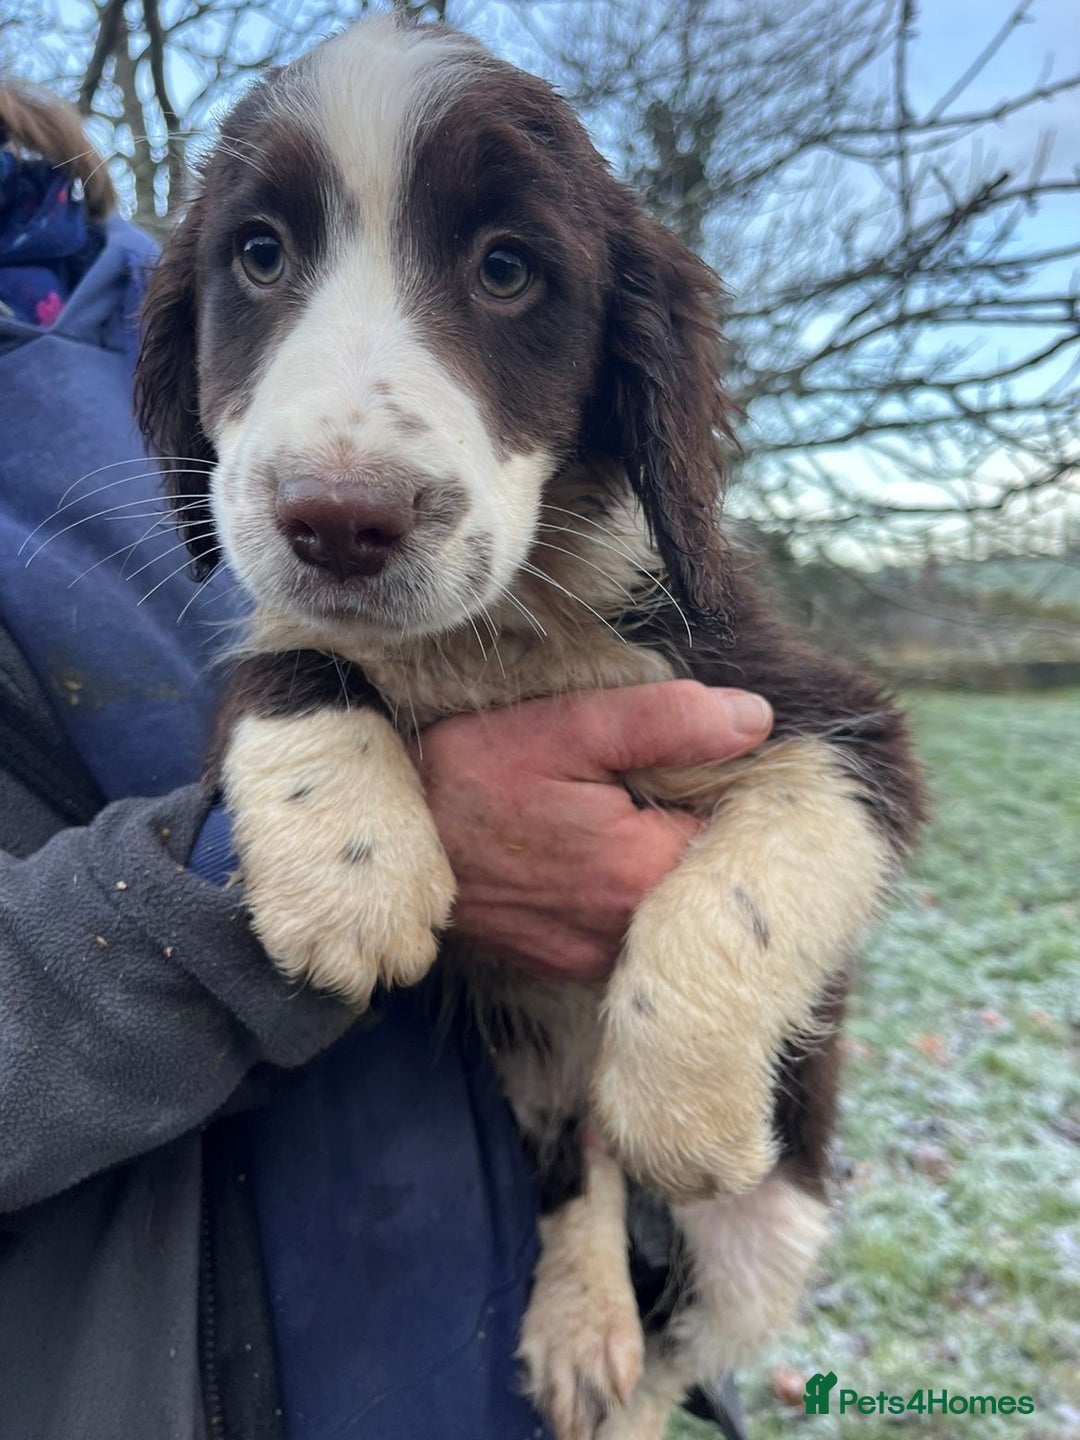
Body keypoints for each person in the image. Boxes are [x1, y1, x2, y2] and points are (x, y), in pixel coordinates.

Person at [0, 80, 769, 1439]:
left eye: (504, 263)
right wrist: (239, 899)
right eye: (264, 260)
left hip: (510, 1320)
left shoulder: (162, 281)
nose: (339, 462)